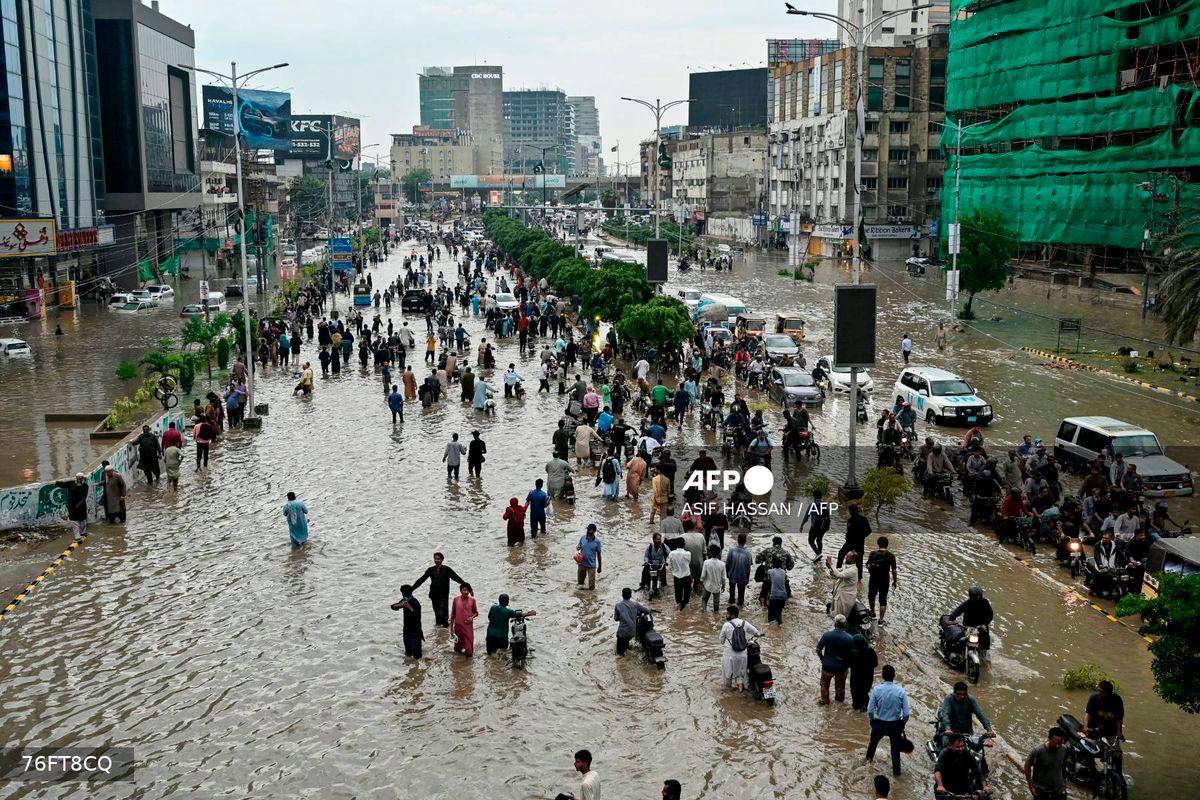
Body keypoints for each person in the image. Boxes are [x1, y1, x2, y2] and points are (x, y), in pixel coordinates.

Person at [866, 664, 911, 776]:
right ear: (894, 676)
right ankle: (896, 774)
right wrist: (902, 724)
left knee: (872, 746)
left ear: (882, 676)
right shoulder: (900, 691)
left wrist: (872, 721)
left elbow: (870, 710)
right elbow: (906, 714)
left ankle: (867, 764)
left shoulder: (877, 690)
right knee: (895, 751)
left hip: (879, 724)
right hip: (895, 725)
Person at [411, 552, 466, 628]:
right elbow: (421, 580)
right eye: (435, 559)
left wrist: (465, 585)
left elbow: (456, 578)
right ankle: (439, 634)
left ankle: (447, 630)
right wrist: (412, 589)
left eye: (438, 559)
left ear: (442, 559)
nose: (437, 560)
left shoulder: (446, 569)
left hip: (444, 595)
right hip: (434, 595)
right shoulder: (430, 570)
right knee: (437, 614)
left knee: (443, 614)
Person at [1084, 680, 1125, 776]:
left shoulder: (1117, 700)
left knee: (1117, 753)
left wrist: (1119, 732)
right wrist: (1086, 727)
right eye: (1099, 691)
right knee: (1094, 751)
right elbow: (1088, 715)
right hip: (1095, 729)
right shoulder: (1094, 698)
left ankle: (1119, 773)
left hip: (1111, 731)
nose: (1100, 693)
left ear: (1109, 693)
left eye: (1102, 691)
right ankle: (1091, 771)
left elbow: (1119, 718)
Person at [934, 733, 992, 799]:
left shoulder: (967, 754)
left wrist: (985, 786)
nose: (961, 749)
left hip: (962, 784)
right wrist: (940, 785)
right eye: (957, 747)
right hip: (945, 786)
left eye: (962, 746)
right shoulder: (944, 753)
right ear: (950, 745)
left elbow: (978, 771)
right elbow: (937, 771)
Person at [720, 604, 761, 692]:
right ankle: (740, 694)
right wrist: (759, 635)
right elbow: (756, 632)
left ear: (732, 615)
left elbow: (721, 640)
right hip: (742, 655)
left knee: (728, 677)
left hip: (729, 655)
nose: (726, 615)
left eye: (727, 613)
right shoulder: (744, 623)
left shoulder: (726, 625)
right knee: (739, 677)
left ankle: (729, 697)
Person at [1024, 727, 1069, 800]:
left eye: (1060, 743)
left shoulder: (1064, 749)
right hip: (1041, 790)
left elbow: (1063, 764)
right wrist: (1031, 786)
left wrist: (1064, 781)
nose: (1057, 746)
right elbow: (1027, 766)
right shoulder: (1038, 751)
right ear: (1049, 739)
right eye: (1055, 742)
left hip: (1058, 789)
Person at [817, 615, 853, 704]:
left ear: (835, 624)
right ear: (845, 625)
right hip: (841, 667)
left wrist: (822, 658)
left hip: (827, 666)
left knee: (824, 685)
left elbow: (818, 649)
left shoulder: (827, 635)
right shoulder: (849, 638)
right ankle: (839, 704)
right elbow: (850, 654)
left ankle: (825, 702)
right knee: (840, 687)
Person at [865, 537, 898, 624]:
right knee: (883, 599)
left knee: (871, 596)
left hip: (873, 578)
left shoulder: (872, 553)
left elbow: (868, 565)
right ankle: (881, 619)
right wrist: (895, 581)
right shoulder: (891, 556)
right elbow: (894, 570)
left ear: (878, 544)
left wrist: (870, 571)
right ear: (887, 545)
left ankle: (872, 613)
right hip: (884, 580)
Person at [613, 587, 650, 656]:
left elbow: (616, 619)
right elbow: (646, 611)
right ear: (630, 595)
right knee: (626, 644)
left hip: (622, 632)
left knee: (619, 654)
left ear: (622, 595)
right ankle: (627, 649)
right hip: (632, 632)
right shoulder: (635, 604)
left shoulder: (618, 605)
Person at [390, 585, 424, 659]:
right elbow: (392, 607)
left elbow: (417, 616)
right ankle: (410, 667)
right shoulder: (404, 600)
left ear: (404, 593)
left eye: (402, 593)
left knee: (417, 656)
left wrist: (409, 607)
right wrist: (398, 605)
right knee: (408, 653)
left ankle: (419, 668)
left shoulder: (416, 602)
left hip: (416, 632)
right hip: (407, 631)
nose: (402, 594)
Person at [54, 472, 90, 540]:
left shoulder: (85, 486)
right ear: (76, 478)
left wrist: (79, 504)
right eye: (78, 479)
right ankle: (77, 536)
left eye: (80, 479)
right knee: (74, 521)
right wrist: (57, 483)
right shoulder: (71, 483)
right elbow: (63, 484)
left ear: (83, 479)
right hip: (71, 506)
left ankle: (83, 532)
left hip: (81, 506)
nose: (79, 480)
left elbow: (84, 496)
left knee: (82, 521)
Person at [800, 489, 832, 561]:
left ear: (814, 497)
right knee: (819, 540)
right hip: (824, 526)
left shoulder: (812, 505)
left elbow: (806, 516)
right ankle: (819, 555)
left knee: (811, 540)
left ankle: (818, 554)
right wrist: (828, 526)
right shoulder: (825, 505)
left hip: (816, 526)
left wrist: (802, 525)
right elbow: (828, 516)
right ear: (821, 496)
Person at [849, 633, 878, 712]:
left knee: (855, 693)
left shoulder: (853, 652)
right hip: (868, 677)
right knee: (865, 692)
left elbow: (848, 664)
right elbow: (876, 664)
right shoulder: (871, 651)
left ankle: (856, 709)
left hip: (856, 677)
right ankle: (864, 708)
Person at [826, 554, 860, 619]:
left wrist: (831, 564)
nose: (845, 557)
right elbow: (834, 575)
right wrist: (829, 567)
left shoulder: (853, 570)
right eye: (846, 555)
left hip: (845, 597)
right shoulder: (846, 567)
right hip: (839, 594)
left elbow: (839, 575)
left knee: (840, 617)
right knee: (835, 614)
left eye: (847, 557)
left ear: (853, 560)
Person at [450, 583, 478, 656]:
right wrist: (451, 629)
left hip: (468, 627)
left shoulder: (472, 600)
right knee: (457, 649)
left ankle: (469, 665)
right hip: (458, 627)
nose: (466, 592)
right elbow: (453, 614)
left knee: (469, 651)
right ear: (460, 591)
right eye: (464, 590)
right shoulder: (456, 600)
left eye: (468, 590)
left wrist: (472, 617)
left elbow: (476, 613)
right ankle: (459, 664)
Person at [725, 533, 753, 606]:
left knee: (731, 595)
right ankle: (740, 609)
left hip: (732, 575)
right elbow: (748, 568)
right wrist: (747, 578)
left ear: (737, 540)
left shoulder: (732, 551)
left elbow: (727, 563)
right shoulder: (748, 553)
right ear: (745, 541)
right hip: (742, 576)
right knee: (741, 596)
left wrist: (727, 573)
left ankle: (731, 604)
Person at [701, 545, 726, 613]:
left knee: (704, 599)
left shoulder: (706, 562)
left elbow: (703, 575)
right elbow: (723, 577)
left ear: (711, 553)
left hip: (707, 586)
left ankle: (704, 612)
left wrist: (701, 582)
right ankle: (715, 614)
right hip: (717, 587)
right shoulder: (722, 564)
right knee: (716, 602)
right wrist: (723, 585)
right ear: (719, 553)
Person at [576, 524, 603, 590]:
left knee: (591, 587)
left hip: (591, 566)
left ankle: (591, 599)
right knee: (580, 584)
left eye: (589, 530)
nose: (587, 531)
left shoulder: (597, 542)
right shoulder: (582, 538)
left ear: (594, 531)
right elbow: (578, 546)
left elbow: (599, 555)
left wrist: (600, 567)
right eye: (587, 529)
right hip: (581, 564)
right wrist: (578, 547)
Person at [668, 539, 692, 610]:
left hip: (677, 577)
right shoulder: (688, 553)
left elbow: (670, 566)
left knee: (678, 597)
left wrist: (675, 570)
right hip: (687, 576)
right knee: (687, 597)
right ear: (684, 544)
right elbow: (688, 563)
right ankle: (686, 612)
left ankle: (678, 612)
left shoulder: (671, 554)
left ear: (676, 545)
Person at [766, 559, 788, 624]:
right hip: (783, 596)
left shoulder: (771, 571)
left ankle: (772, 630)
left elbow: (767, 575)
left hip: (774, 596)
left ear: (773, 564)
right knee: (779, 612)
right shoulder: (783, 572)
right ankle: (780, 625)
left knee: (771, 616)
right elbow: (785, 579)